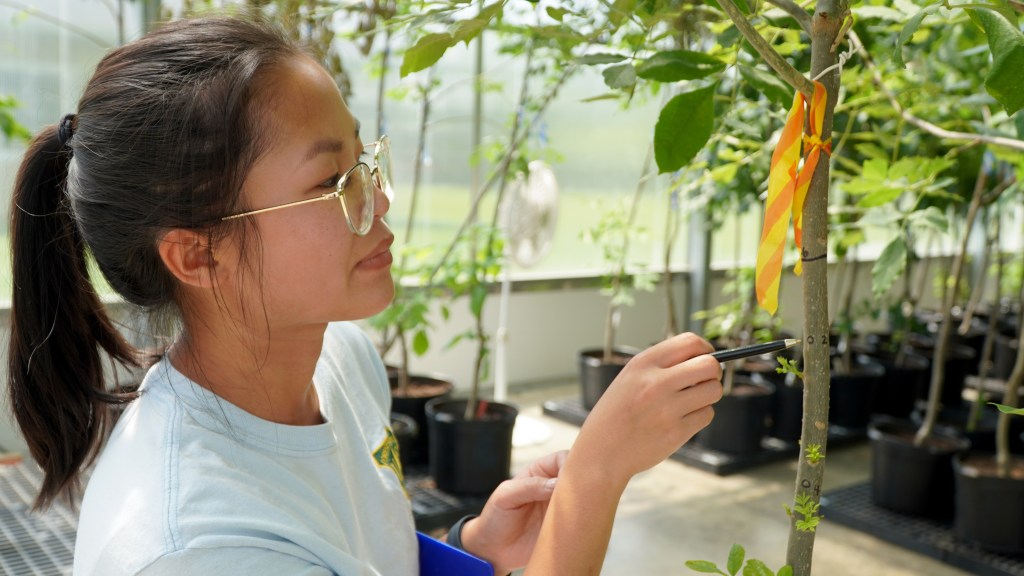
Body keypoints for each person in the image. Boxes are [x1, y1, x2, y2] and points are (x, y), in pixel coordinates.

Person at [6, 14, 723, 576]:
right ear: (199, 254)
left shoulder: (341, 361)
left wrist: (472, 546)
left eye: (364, 159)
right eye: (330, 182)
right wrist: (593, 479)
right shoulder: (194, 545)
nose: (378, 202)